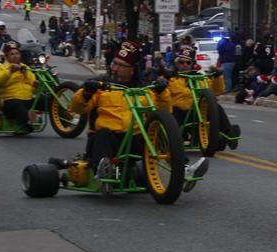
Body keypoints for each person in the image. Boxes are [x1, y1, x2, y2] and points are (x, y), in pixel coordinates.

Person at [69, 40, 208, 181]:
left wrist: (161, 92)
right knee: (104, 134)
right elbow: (76, 108)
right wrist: (86, 93)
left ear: (132, 69)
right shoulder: (100, 86)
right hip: (105, 141)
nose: (115, 69)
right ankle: (104, 169)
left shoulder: (144, 89)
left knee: (160, 132)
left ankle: (182, 170)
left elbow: (164, 112)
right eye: (114, 64)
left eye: (121, 65)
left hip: (133, 140)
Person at [0, 41, 39, 134]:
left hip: (28, 98)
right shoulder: (2, 68)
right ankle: (28, 123)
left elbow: (33, 84)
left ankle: (66, 118)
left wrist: (36, 86)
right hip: (10, 100)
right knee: (18, 105)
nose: (15, 56)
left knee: (48, 99)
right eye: (11, 54)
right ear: (6, 56)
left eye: (17, 53)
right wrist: (10, 71)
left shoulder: (25, 67)